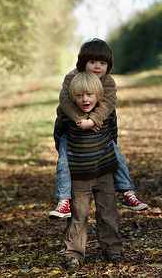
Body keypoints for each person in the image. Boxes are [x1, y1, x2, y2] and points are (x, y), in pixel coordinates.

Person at [49, 38, 148, 219]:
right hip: (70, 128)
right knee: (63, 162)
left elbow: (109, 104)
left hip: (99, 130)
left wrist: (93, 120)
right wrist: (81, 120)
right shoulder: (72, 78)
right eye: (92, 62)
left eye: (102, 63)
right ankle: (63, 201)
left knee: (117, 155)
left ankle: (127, 192)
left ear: (108, 66)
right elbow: (65, 102)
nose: (97, 67)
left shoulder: (108, 82)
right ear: (82, 63)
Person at [54, 71, 123, 268]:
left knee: (107, 213)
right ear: (72, 97)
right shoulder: (67, 116)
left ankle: (113, 249)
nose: (85, 99)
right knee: (78, 215)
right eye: (79, 95)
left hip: (104, 172)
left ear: (99, 96)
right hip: (79, 175)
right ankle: (74, 254)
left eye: (90, 95)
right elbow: (59, 136)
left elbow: (113, 134)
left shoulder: (106, 114)